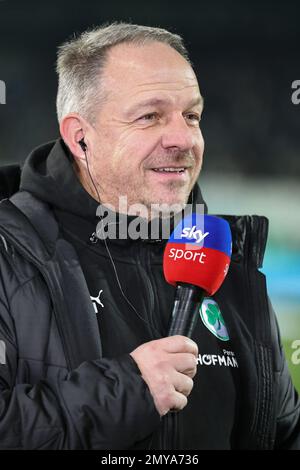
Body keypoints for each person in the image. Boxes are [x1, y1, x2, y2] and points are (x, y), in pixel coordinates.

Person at [0, 22, 299, 451]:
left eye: (191, 115)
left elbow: (283, 433)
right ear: (80, 136)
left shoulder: (226, 257)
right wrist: (128, 391)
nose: (183, 138)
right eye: (150, 116)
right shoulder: (9, 254)